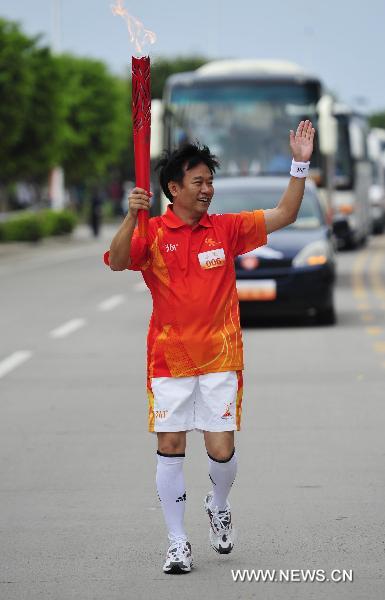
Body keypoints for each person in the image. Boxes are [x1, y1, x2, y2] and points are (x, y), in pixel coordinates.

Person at [106, 120, 315, 574]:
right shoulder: (152, 234)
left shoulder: (225, 230)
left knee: (221, 450)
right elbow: (120, 260)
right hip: (169, 362)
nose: (208, 189)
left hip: (220, 360)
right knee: (171, 444)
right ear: (173, 188)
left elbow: (285, 214)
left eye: (210, 181)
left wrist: (300, 164)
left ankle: (218, 503)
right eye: (199, 182)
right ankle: (177, 541)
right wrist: (129, 215)